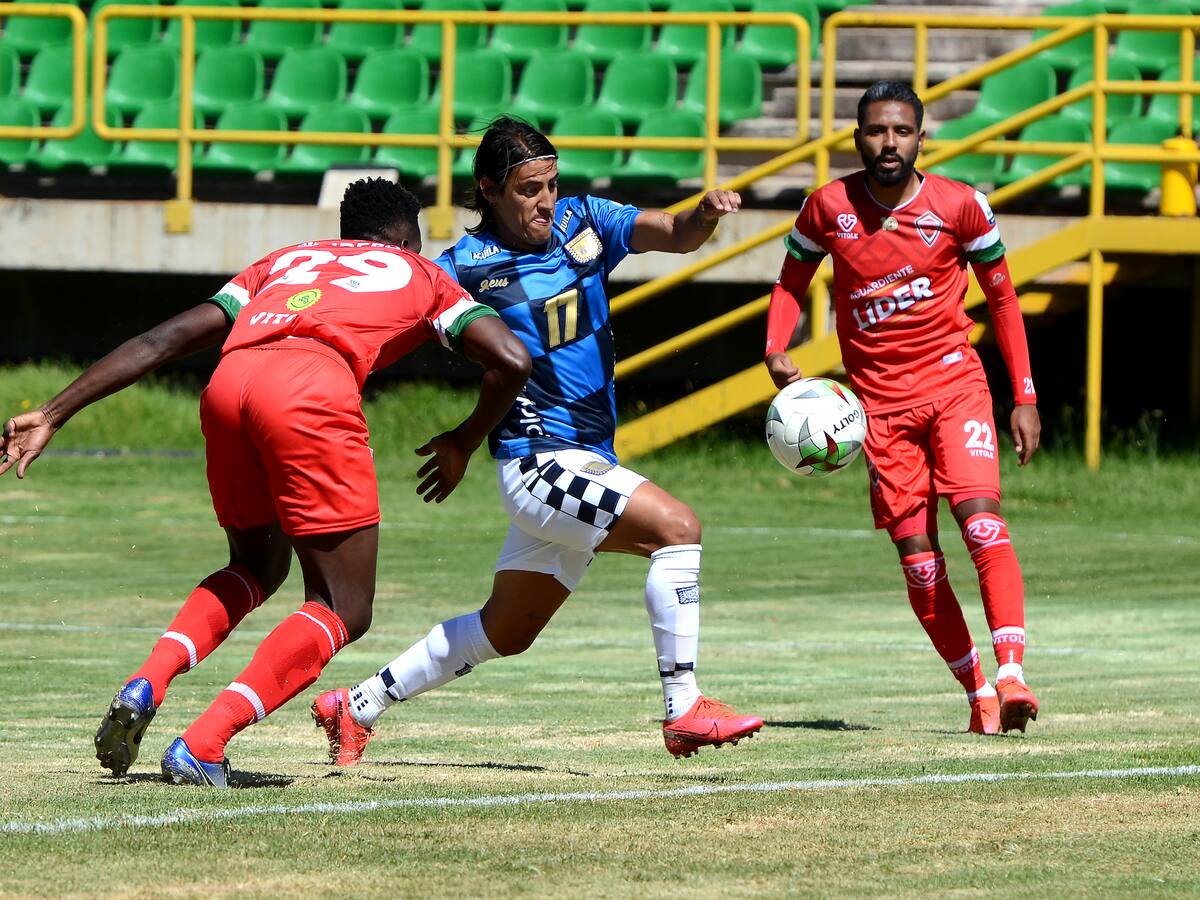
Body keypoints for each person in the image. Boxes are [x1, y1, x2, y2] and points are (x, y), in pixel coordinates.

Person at [0, 178, 531, 785]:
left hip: (229, 384)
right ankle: (204, 744)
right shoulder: (423, 273)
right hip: (311, 388)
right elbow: (511, 360)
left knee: (256, 566)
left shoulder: (282, 262)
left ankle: (148, 679)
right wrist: (463, 442)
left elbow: (159, 341)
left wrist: (51, 412)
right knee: (342, 605)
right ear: (408, 239)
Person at [313, 117, 763, 765]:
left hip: (586, 460)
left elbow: (675, 232)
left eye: (552, 184)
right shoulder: (462, 269)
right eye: (529, 190)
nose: (546, 201)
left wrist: (705, 213)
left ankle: (353, 707)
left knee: (507, 631)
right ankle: (683, 706)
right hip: (538, 462)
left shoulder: (585, 221)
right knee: (678, 529)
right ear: (489, 190)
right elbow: (389, 321)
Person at [763, 82, 1041, 735]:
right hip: (878, 408)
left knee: (980, 523)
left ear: (922, 137)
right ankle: (977, 691)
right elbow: (790, 284)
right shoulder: (827, 208)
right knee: (919, 560)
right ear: (857, 137)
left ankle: (1011, 673)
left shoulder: (962, 206)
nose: (888, 143)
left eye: (901, 131)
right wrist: (776, 348)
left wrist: (1024, 396)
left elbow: (1003, 300)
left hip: (954, 385)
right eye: (875, 131)